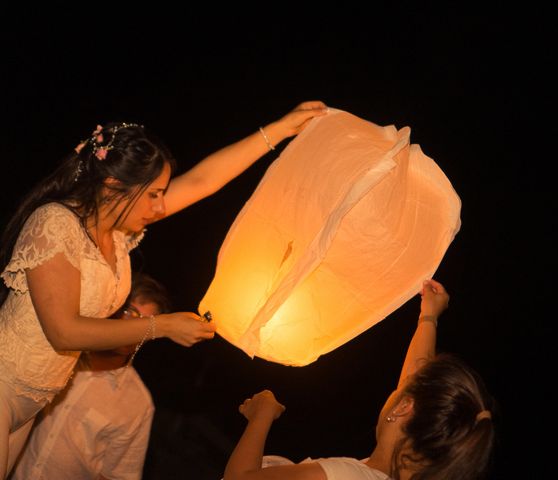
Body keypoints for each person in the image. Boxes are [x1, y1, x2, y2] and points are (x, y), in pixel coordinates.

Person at [0, 101, 328, 478]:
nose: (160, 206)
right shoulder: (55, 224)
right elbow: (64, 329)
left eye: (162, 193)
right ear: (113, 187)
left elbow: (204, 180)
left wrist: (279, 129)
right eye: (153, 194)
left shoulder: (118, 234)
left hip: (33, 400)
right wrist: (164, 327)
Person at [224, 279, 496, 480]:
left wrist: (262, 415)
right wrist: (429, 317)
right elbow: (416, 379)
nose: (400, 387)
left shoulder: (347, 476)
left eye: (400, 393)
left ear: (403, 408)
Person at [10, 272, 171, 480]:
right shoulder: (61, 353)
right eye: (129, 312)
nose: (133, 325)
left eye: (145, 322)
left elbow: (118, 476)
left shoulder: (137, 404)